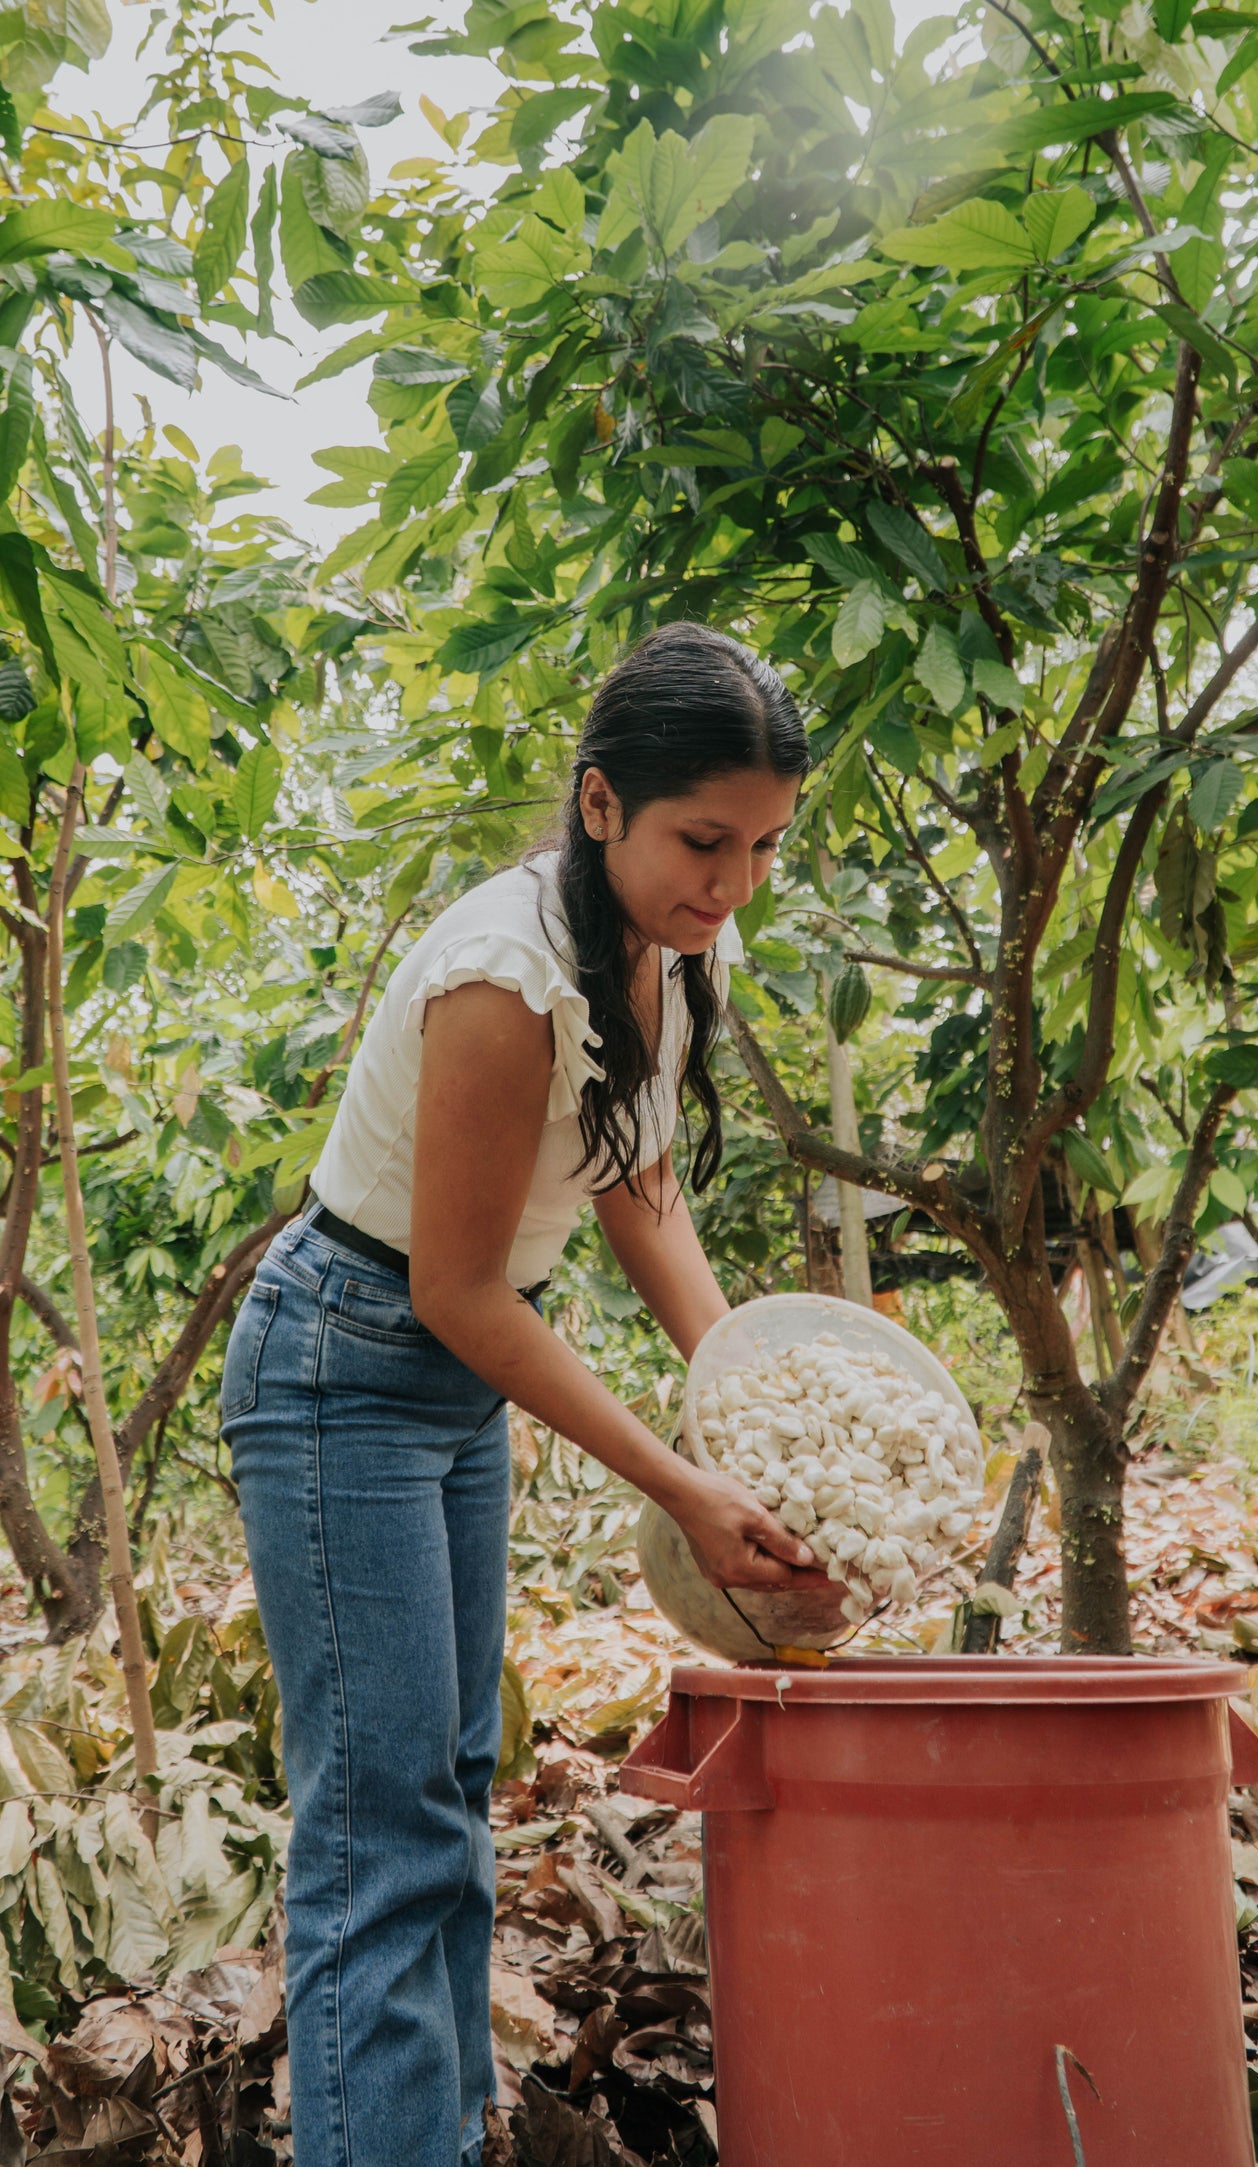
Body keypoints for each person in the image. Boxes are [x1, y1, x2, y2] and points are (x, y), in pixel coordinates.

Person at [219, 622, 819, 2167]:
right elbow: (460, 1293)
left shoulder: (669, 943)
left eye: (760, 847)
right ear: (601, 801)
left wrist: (744, 1390)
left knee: (450, 1799)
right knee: (382, 1828)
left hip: (450, 1376)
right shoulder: (503, 975)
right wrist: (683, 1482)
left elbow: (637, 1180)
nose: (731, 882)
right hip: (345, 1363)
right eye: (705, 841)